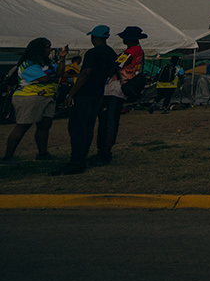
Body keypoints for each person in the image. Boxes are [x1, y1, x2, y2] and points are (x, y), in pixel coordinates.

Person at [53, 25, 116, 176]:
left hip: (84, 94)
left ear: (94, 37)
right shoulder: (111, 53)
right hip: (98, 94)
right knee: (88, 128)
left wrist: (70, 94)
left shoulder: (92, 53)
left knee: (77, 128)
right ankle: (81, 158)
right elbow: (112, 71)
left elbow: (85, 74)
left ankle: (76, 162)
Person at [3, 38, 58, 163]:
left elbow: (58, 73)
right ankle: (7, 157)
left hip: (47, 95)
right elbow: (43, 79)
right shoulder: (28, 63)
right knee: (23, 126)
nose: (50, 49)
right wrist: (54, 78)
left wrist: (62, 60)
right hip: (29, 97)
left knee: (44, 125)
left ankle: (43, 154)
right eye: (48, 47)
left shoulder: (48, 62)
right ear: (40, 49)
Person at [97, 25, 146, 163]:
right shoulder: (139, 51)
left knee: (108, 121)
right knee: (110, 120)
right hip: (121, 88)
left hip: (116, 88)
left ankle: (105, 152)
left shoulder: (130, 51)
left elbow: (116, 66)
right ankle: (104, 150)